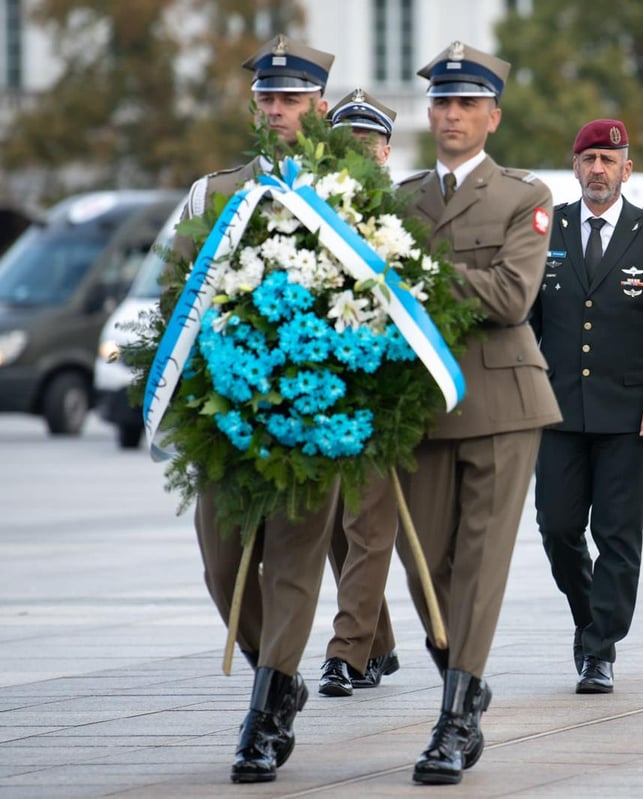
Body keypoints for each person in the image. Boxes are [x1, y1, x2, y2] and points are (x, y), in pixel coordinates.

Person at [392, 41, 561, 785]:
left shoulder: (525, 197)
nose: (452, 115)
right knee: (426, 565)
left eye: (466, 104)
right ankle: (464, 675)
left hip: (501, 399)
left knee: (482, 565)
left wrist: (413, 275)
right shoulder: (398, 202)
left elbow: (511, 298)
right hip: (420, 407)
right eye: (442, 103)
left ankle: (456, 721)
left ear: (492, 117)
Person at [172, 35, 339, 782]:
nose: (277, 110)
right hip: (231, 414)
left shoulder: (350, 196)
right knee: (221, 562)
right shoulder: (216, 193)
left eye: (292, 99)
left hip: (315, 414)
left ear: (319, 107)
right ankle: (279, 670)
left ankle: (266, 716)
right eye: (268, 98)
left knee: (295, 565)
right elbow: (176, 296)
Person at [529, 119, 643, 694]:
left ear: (628, 168)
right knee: (558, 526)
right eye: (589, 158)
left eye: (609, 159)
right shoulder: (549, 228)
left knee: (619, 533)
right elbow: (530, 323)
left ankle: (599, 650)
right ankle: (588, 615)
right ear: (575, 167)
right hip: (559, 410)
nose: (598, 169)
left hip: (629, 413)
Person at [316, 89, 401, 698]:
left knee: (369, 525)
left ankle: (346, 654)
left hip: (381, 396)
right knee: (334, 530)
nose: (361, 151)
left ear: (388, 150)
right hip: (319, 394)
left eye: (370, 141)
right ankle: (378, 643)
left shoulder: (407, 216)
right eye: (350, 141)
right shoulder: (308, 211)